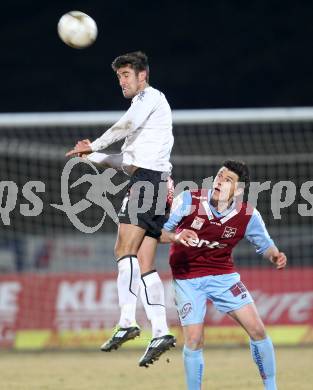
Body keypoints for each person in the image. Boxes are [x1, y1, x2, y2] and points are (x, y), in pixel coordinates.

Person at [65, 51, 176, 366]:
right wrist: (92, 156)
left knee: (123, 250)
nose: (123, 81)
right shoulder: (144, 111)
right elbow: (127, 163)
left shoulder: (149, 99)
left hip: (147, 184)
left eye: (127, 75)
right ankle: (161, 331)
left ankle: (127, 322)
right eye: (119, 76)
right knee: (144, 262)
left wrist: (95, 144)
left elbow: (125, 125)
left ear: (143, 75)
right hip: (154, 183)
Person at [160, 160, 287, 390]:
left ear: (237, 191)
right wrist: (176, 237)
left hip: (223, 277)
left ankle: (271, 388)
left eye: (228, 180)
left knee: (258, 330)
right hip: (187, 278)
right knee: (194, 339)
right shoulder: (189, 199)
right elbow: (159, 232)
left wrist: (275, 255)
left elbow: (265, 244)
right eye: (219, 175)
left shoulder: (248, 214)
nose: (220, 181)